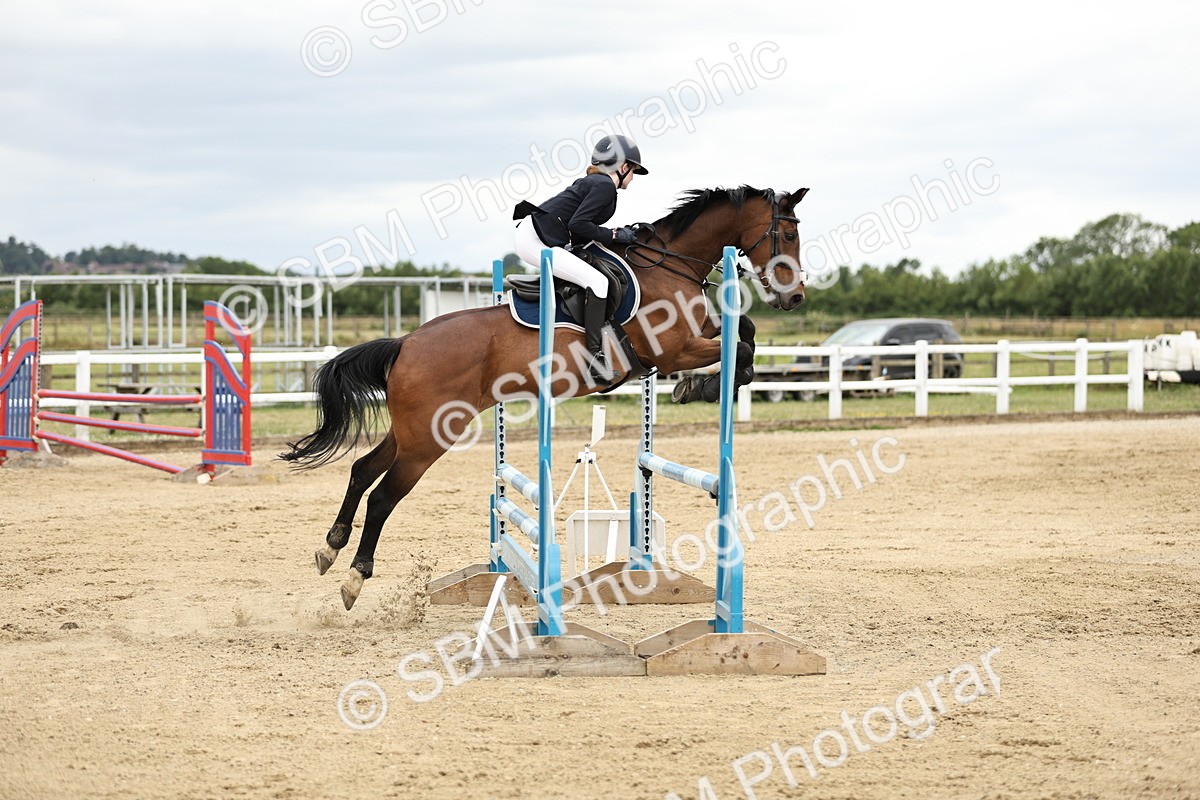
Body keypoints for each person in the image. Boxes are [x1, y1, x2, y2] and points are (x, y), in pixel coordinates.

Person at [513, 134, 648, 381]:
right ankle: (594, 360)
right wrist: (615, 234)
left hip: (538, 235)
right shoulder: (605, 186)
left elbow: (578, 227)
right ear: (623, 166)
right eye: (633, 172)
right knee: (599, 283)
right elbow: (579, 224)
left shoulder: (597, 183)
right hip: (536, 241)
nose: (632, 179)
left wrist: (616, 233)